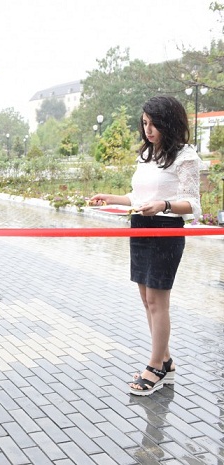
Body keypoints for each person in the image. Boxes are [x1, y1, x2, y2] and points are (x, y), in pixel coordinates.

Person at [90, 95, 201, 396]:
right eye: (144, 123)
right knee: (146, 298)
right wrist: (112, 198)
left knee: (158, 301)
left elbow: (192, 204)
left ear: (169, 123)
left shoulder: (185, 156)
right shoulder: (147, 154)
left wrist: (164, 204)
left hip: (165, 229)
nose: (148, 130)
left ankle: (155, 368)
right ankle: (165, 359)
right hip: (140, 226)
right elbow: (138, 196)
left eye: (153, 124)